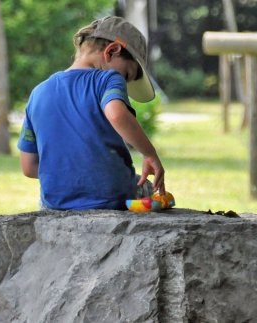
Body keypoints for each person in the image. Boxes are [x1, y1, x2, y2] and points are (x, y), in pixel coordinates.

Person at [17, 16, 165, 210]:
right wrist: (149, 153)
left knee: (44, 203)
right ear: (112, 51)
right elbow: (116, 114)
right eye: (127, 75)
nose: (124, 83)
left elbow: (28, 167)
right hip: (112, 195)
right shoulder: (108, 78)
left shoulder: (38, 93)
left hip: (56, 202)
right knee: (147, 189)